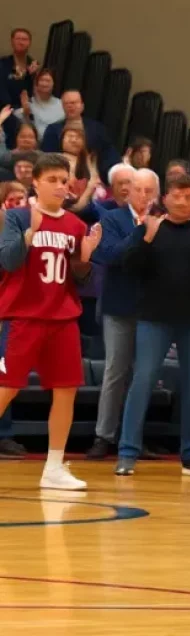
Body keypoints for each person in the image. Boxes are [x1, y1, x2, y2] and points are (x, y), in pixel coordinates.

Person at [115, 174, 190, 478]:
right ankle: (128, 452)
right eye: (177, 196)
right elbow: (128, 266)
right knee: (142, 381)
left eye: (189, 197)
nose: (182, 202)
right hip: (155, 319)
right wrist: (147, 238)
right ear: (164, 199)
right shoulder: (149, 229)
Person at [0, 153, 101, 489]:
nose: (61, 186)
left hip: (62, 318)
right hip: (23, 317)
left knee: (66, 390)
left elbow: (80, 280)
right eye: (53, 180)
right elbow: (8, 262)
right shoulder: (15, 217)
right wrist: (31, 233)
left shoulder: (75, 225)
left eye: (64, 180)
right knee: (7, 387)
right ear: (36, 182)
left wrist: (85, 260)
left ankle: (54, 467)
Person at [87, 168, 161, 460]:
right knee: (115, 371)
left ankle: (133, 438)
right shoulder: (112, 218)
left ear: (155, 193)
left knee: (144, 375)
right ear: (127, 191)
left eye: (148, 190)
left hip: (154, 309)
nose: (143, 195)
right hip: (119, 307)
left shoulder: (165, 221)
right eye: (137, 189)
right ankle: (103, 436)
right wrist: (143, 234)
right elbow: (110, 255)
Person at [15, 68, 63, 140]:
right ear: (36, 84)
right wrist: (25, 112)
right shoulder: (29, 103)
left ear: (54, 84)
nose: (44, 84)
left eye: (48, 81)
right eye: (42, 80)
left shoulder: (62, 105)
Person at [0, 28, 38, 113]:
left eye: (24, 39)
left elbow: (37, 94)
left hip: (28, 110)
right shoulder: (3, 64)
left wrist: (33, 76)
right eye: (18, 39)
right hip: (5, 111)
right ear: (12, 42)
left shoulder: (34, 65)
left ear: (29, 43)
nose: (21, 42)